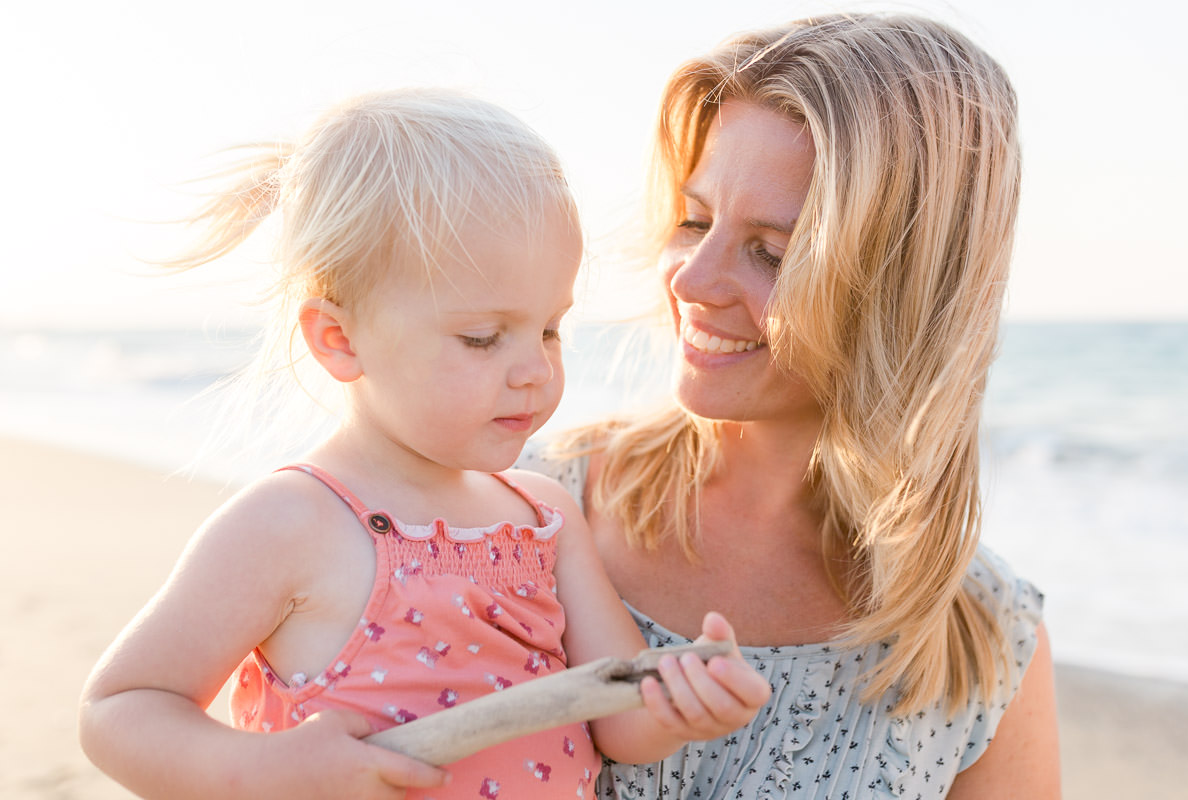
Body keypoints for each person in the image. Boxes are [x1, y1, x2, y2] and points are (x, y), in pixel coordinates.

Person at [78, 89, 770, 800]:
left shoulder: (542, 518)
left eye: (552, 329)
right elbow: (121, 709)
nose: (535, 369)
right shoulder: (292, 522)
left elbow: (616, 723)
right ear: (340, 339)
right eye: (482, 337)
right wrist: (266, 772)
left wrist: (682, 704)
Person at [519, 13, 1061, 799]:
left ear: (905, 294)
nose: (691, 281)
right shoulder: (525, 508)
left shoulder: (983, 641)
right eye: (694, 220)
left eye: (771, 252)